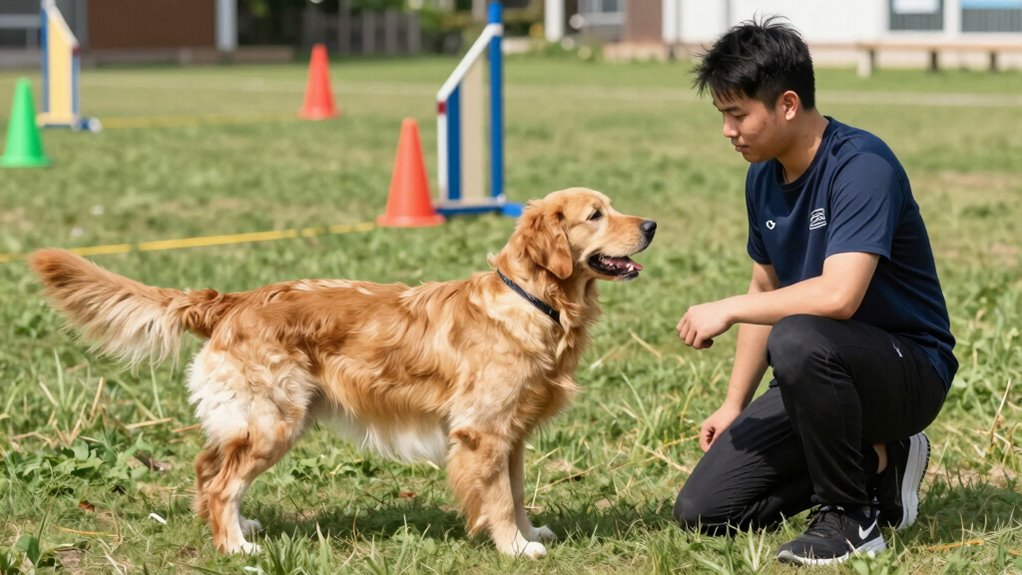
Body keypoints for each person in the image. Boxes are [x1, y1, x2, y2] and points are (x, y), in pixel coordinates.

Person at [671, 17, 957, 566]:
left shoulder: (862, 165)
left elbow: (838, 297)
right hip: (819, 374)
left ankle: (851, 518)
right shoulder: (762, 175)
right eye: (722, 116)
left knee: (798, 336)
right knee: (704, 511)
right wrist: (734, 404)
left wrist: (727, 309)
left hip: (907, 369)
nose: (728, 131)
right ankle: (881, 462)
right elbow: (766, 285)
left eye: (737, 115)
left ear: (787, 104)